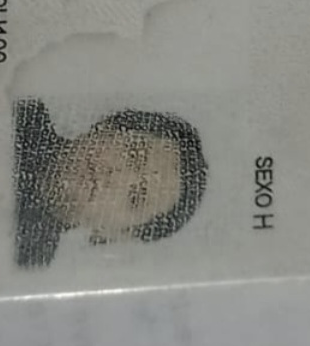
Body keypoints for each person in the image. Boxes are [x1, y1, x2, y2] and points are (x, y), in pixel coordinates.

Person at [12, 98, 208, 266]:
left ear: (111, 234)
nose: (115, 177)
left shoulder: (25, 264)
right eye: (133, 155)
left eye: (134, 198)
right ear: (107, 126)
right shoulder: (17, 111)